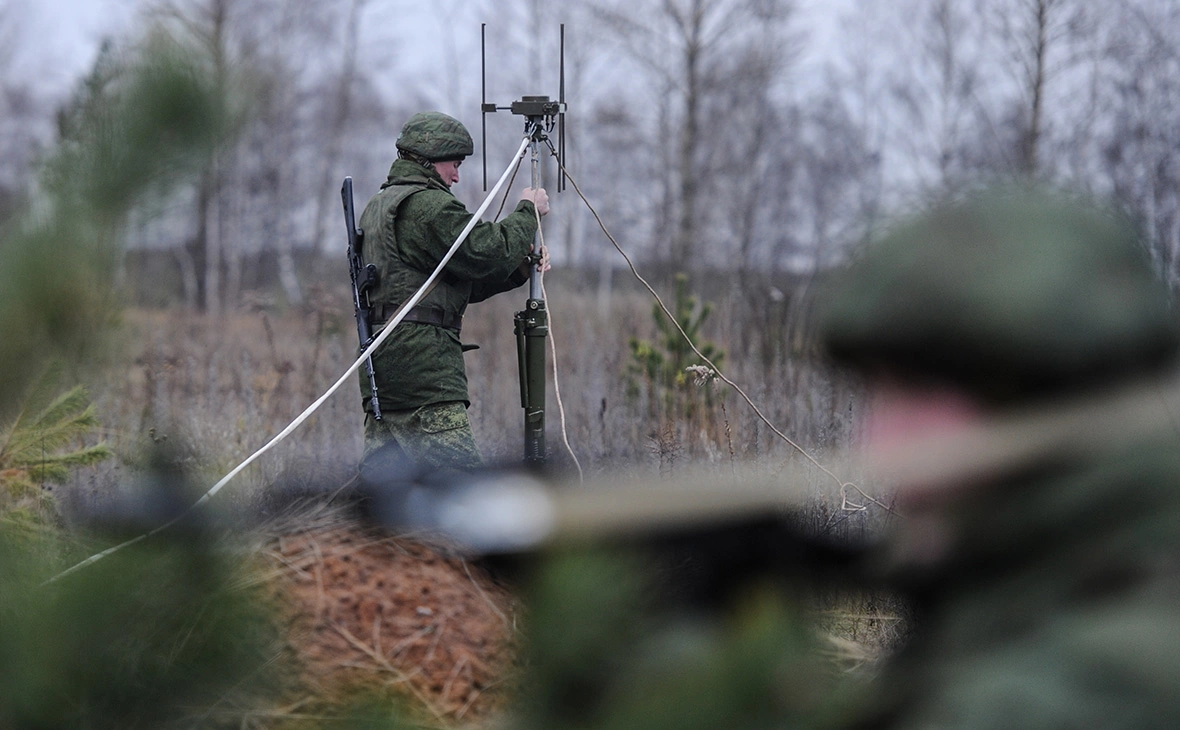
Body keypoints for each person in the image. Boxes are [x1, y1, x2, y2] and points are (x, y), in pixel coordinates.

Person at [813, 185, 1180, 728]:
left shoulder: (1114, 674)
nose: (881, 449)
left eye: (922, 394)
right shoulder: (1047, 587)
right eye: (878, 392)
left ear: (1064, 398)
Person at [357, 111, 549, 470]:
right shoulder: (427, 205)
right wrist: (527, 211)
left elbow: (450, 283)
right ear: (429, 159)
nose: (457, 176)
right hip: (424, 373)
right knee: (465, 493)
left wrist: (520, 269)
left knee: (383, 503)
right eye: (454, 164)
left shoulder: (379, 206)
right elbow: (483, 251)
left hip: (383, 372)